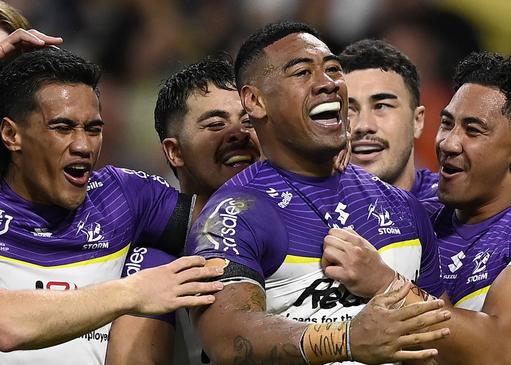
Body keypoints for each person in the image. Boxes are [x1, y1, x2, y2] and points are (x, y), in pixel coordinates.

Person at [185, 21, 451, 365]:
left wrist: (387, 284)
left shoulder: (402, 207)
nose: (327, 83)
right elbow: (229, 338)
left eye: (333, 70)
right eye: (302, 73)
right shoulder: (233, 215)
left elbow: (442, 342)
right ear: (255, 101)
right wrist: (348, 339)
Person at [327, 52, 511, 365]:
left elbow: (498, 350)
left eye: (473, 130)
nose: (448, 143)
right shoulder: (426, 208)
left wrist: (386, 284)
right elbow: (379, 179)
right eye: (447, 124)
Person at [0, 47, 223, 364]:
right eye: (62, 128)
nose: (83, 146)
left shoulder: (122, 197)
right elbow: (5, 326)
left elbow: (232, 224)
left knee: (156, 257)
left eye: (93, 129)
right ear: (12, 134)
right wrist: (133, 293)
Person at [106, 55, 261, 365]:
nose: (237, 133)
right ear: (174, 152)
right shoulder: (156, 261)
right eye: (215, 124)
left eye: (247, 121)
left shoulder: (309, 224)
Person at [339, 39, 440, 214]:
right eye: (349, 110)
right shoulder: (303, 212)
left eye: (381, 106)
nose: (364, 125)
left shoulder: (454, 211)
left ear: (417, 121)